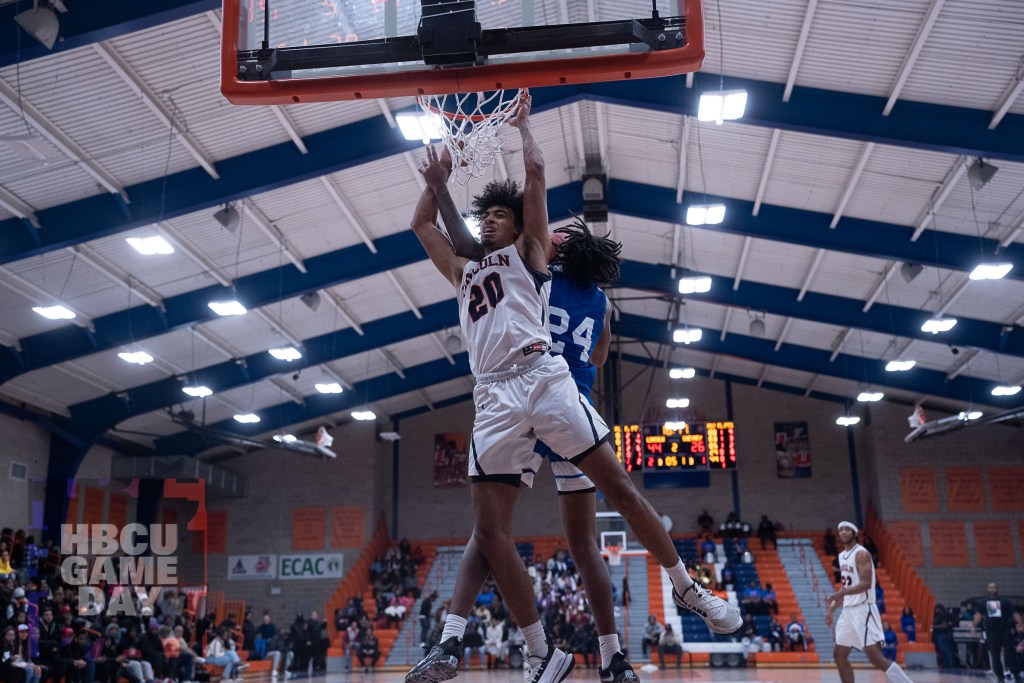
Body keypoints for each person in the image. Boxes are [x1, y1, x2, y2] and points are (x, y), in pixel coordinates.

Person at [404, 97, 740, 683]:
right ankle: (541, 653)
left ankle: (687, 589)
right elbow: (428, 229)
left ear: (520, 229)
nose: (489, 223)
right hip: (492, 397)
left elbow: (532, 179)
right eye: (487, 220)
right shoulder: (466, 271)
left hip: (543, 378)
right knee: (489, 531)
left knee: (622, 490)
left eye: (499, 218)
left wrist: (525, 129)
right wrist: (438, 185)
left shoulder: (530, 256)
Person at [826, 521, 914, 683]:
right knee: (839, 655)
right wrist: (832, 609)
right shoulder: (841, 556)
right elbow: (847, 586)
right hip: (848, 611)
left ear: (855, 534)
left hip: (863, 610)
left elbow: (866, 583)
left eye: (847, 529)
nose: (843, 532)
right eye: (840, 530)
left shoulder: (861, 554)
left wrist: (840, 593)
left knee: (875, 658)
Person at [971, 582, 1021, 683]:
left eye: (994, 587)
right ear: (987, 589)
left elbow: (1015, 613)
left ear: (997, 589)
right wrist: (973, 626)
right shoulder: (983, 602)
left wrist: (1020, 623)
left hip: (1005, 631)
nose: (992, 589)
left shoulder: (1005, 601)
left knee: (1010, 654)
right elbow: (978, 616)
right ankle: (1000, 677)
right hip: (991, 632)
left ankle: (1016, 675)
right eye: (990, 587)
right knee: (995, 655)